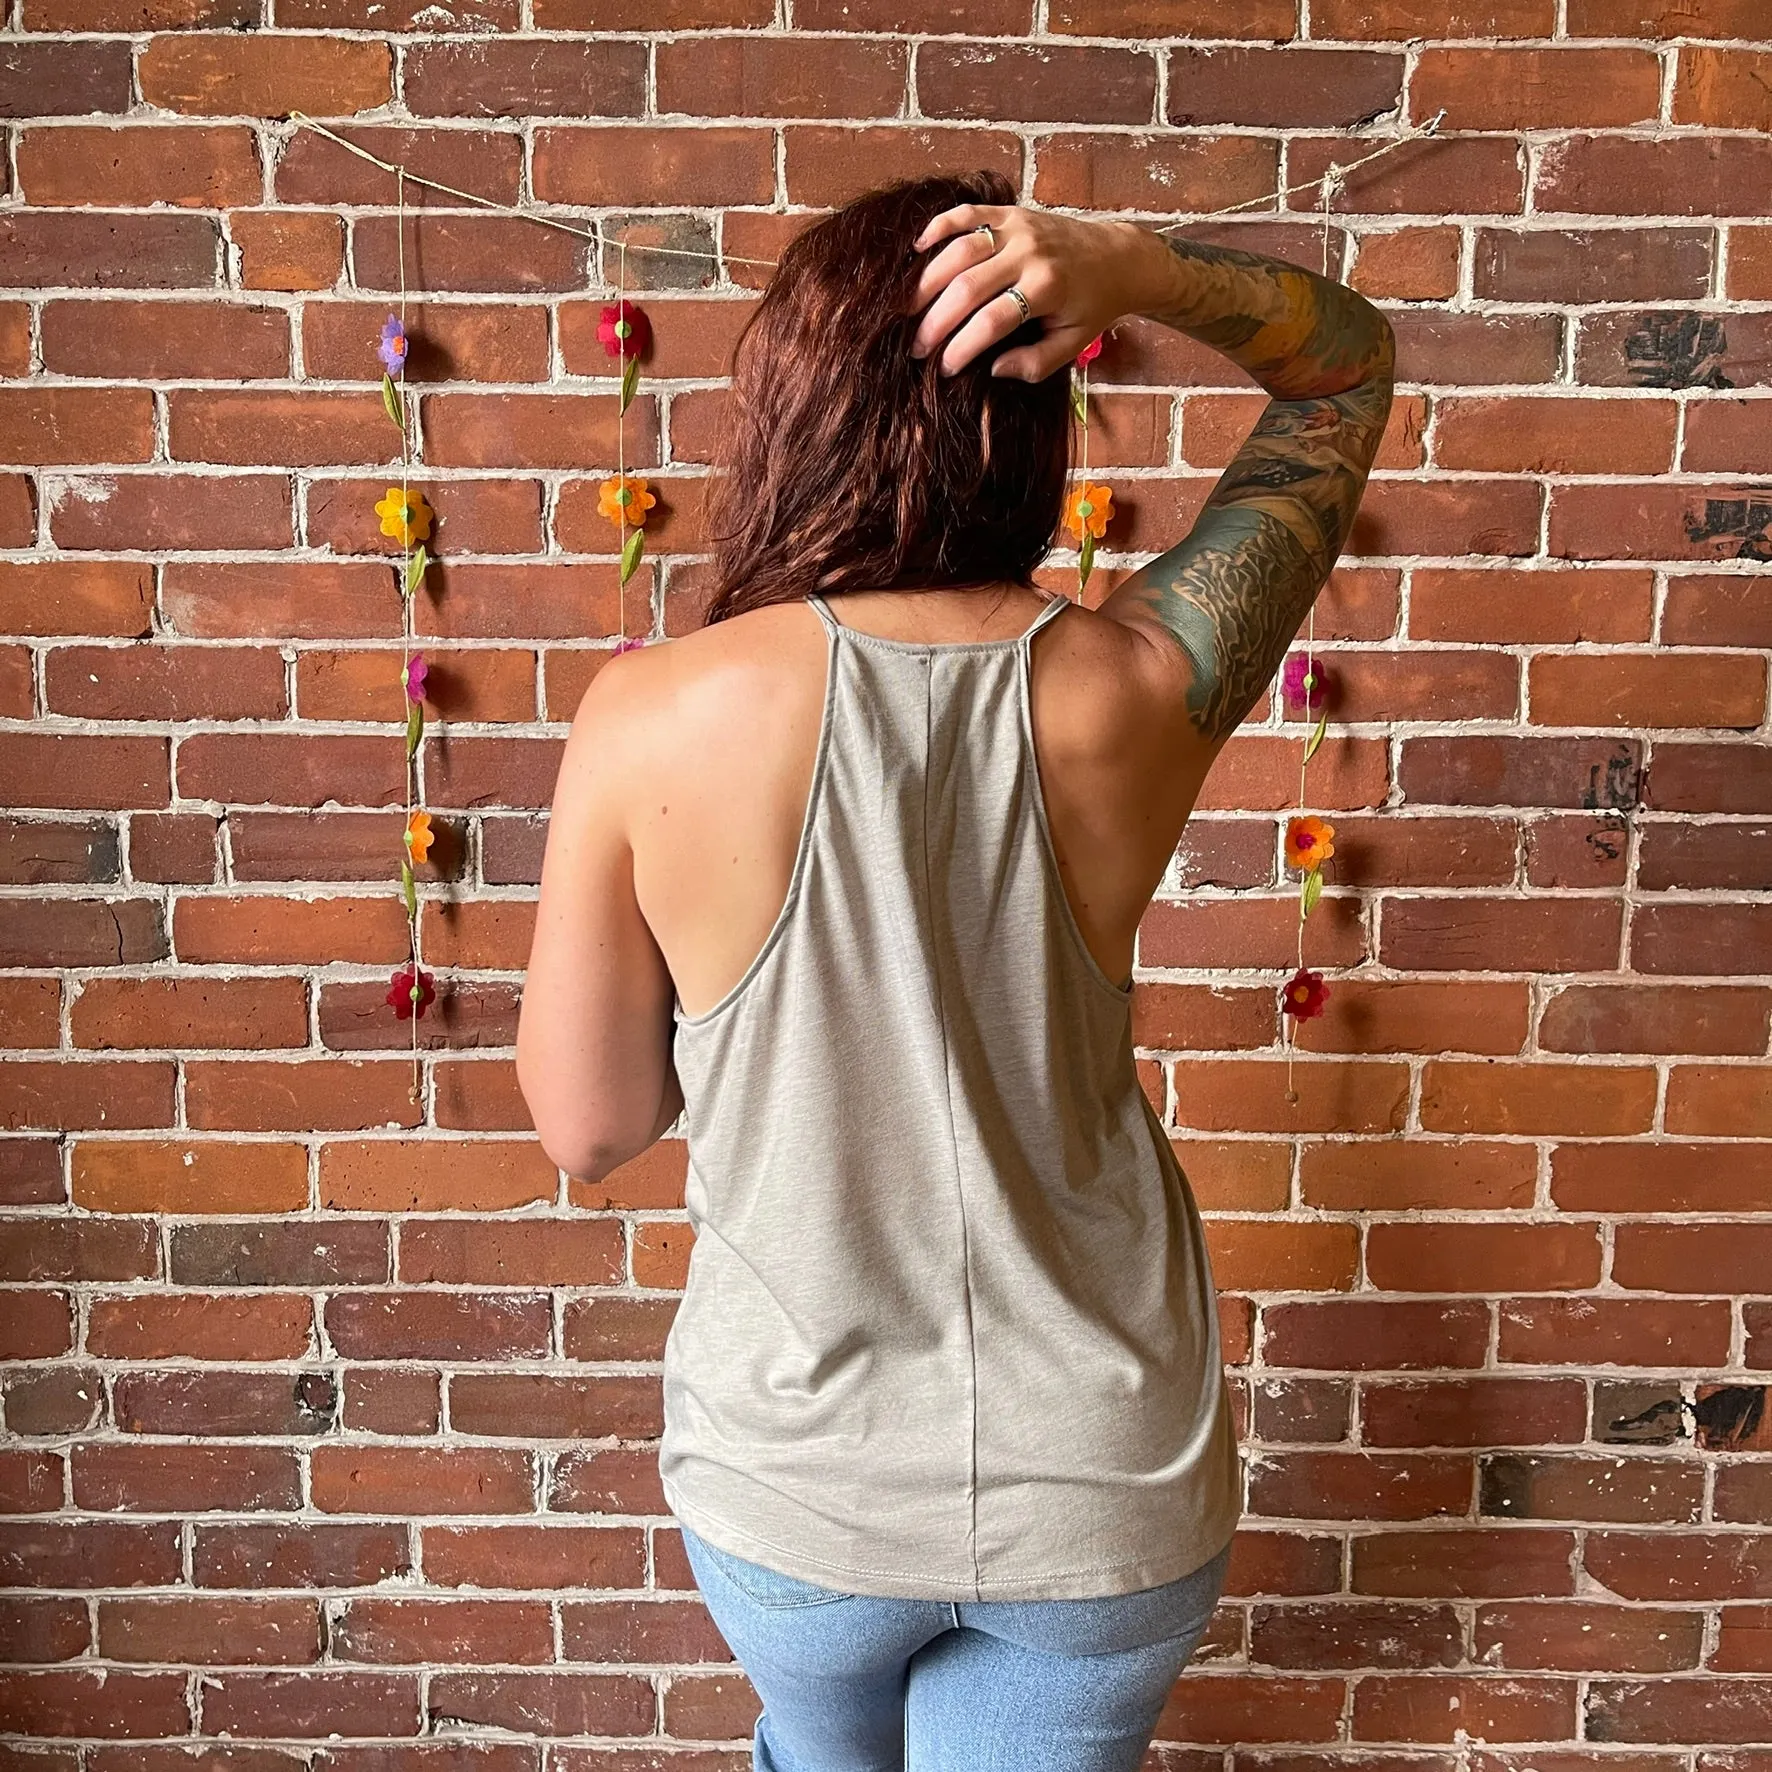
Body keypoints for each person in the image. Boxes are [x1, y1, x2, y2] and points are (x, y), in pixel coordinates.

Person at [515, 170, 1395, 1770]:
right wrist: (1138, 269)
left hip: (802, 1485)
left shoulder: (653, 716)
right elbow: (1346, 364)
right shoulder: (1141, 684)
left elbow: (590, 1125)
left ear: (792, 404)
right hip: (1102, 1490)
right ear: (1040, 404)